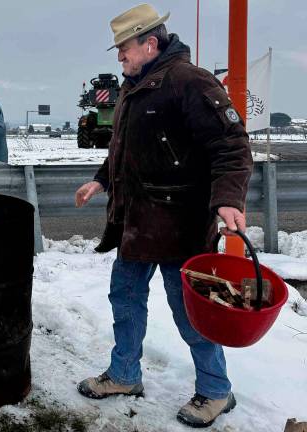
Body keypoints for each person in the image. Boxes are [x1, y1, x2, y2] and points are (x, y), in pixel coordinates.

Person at [73, 4, 252, 428]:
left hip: (179, 224)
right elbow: (127, 149)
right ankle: (124, 375)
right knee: (126, 299)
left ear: (150, 43)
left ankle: (215, 391)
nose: (119, 57)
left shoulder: (190, 82)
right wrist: (101, 180)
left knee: (191, 312)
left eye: (124, 49)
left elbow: (231, 145)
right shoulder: (136, 86)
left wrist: (229, 198)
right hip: (135, 222)